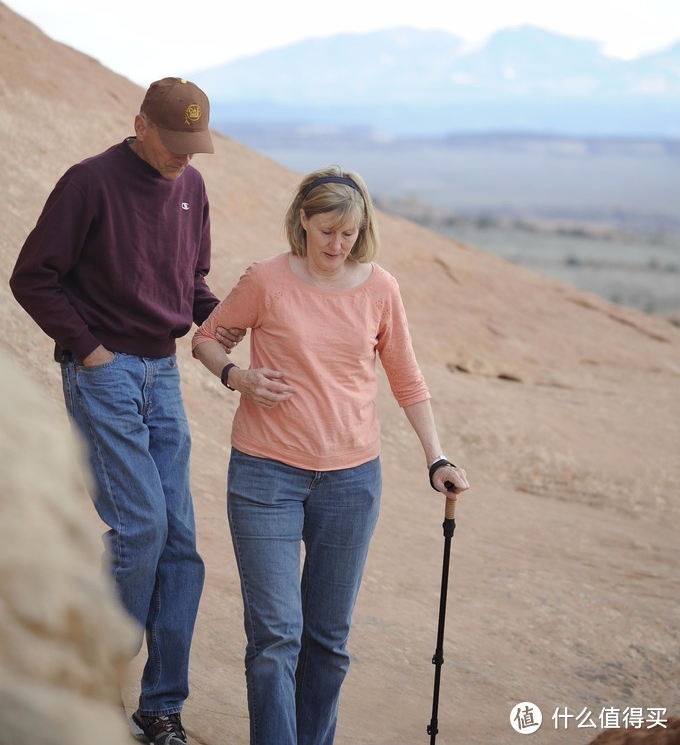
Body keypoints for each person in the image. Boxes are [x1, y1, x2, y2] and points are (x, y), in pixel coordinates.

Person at [191, 166, 470, 745]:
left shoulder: (380, 288)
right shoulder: (266, 279)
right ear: (302, 222)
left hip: (350, 484)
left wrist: (436, 458)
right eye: (326, 232)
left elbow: (407, 381)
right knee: (274, 636)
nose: (337, 246)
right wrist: (236, 376)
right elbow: (208, 337)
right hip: (265, 474)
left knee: (327, 641)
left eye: (348, 234)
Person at [10, 77, 243, 745]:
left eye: (193, 147)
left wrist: (234, 326)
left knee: (180, 542)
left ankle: (161, 707)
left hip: (163, 373)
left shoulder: (191, 188)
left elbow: (192, 285)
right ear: (140, 124)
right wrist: (88, 351)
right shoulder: (88, 183)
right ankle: (88, 693)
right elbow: (33, 276)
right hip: (106, 373)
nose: (182, 158)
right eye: (174, 143)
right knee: (139, 526)